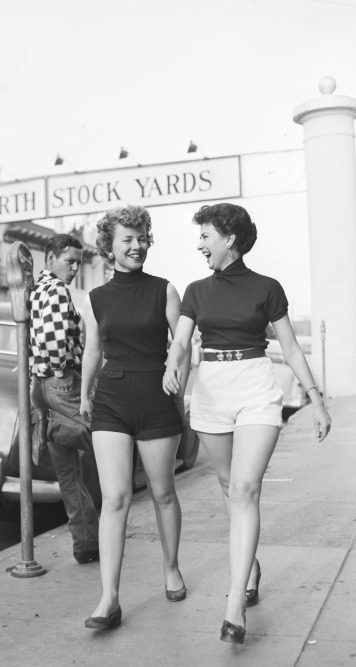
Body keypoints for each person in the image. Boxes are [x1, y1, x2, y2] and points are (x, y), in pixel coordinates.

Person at [163, 202, 331, 644]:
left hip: (256, 387)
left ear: (229, 238)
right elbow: (180, 342)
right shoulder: (196, 290)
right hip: (213, 390)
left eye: (205, 235)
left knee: (244, 488)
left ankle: (234, 602)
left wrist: (316, 400)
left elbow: (291, 348)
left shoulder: (268, 288)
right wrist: (172, 365)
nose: (200, 243)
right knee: (227, 486)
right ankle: (250, 564)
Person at [80, 205, 189, 631]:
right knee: (116, 498)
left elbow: (182, 343)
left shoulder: (165, 290)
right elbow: (93, 350)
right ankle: (109, 597)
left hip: (156, 397)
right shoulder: (95, 298)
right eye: (127, 239)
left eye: (141, 237)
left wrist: (178, 374)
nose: (137, 245)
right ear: (110, 246)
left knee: (163, 493)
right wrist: (85, 394)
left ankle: (171, 567)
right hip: (110, 399)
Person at [29, 234, 99, 565]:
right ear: (51, 259)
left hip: (42, 386)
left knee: (69, 474)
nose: (73, 268)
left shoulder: (37, 289)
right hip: (60, 382)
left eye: (77, 263)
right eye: (68, 261)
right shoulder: (56, 289)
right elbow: (55, 342)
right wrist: (63, 372)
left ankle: (86, 544)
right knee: (106, 437)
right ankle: (95, 538)